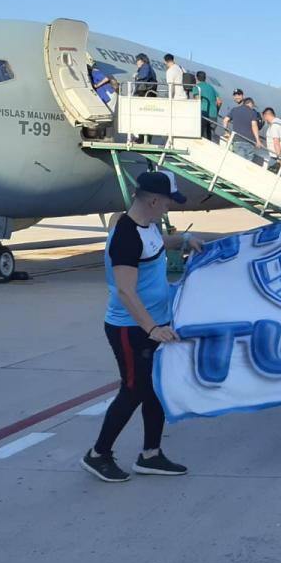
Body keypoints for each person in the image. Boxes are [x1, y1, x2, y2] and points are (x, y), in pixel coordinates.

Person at [81, 171, 204, 483]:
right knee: (133, 390)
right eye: (166, 202)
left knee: (155, 391)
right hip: (130, 328)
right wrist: (151, 328)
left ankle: (151, 455)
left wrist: (184, 239)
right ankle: (98, 454)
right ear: (152, 200)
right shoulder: (125, 235)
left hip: (154, 323)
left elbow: (156, 244)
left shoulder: (145, 226)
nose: (168, 208)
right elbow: (125, 290)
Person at [222, 96, 262, 160]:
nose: (253, 107)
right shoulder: (253, 113)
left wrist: (227, 132)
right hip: (249, 142)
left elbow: (225, 120)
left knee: (238, 161)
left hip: (237, 140)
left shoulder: (234, 109)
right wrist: (258, 141)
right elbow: (254, 126)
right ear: (250, 104)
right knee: (246, 164)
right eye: (253, 106)